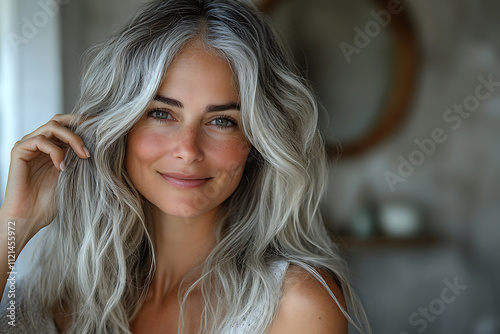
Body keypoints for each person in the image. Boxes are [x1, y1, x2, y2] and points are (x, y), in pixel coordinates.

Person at [0, 0, 370, 333]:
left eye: (222, 121)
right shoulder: (54, 301)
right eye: (161, 114)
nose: (188, 150)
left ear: (256, 142)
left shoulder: (296, 305)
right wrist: (15, 224)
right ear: (120, 128)